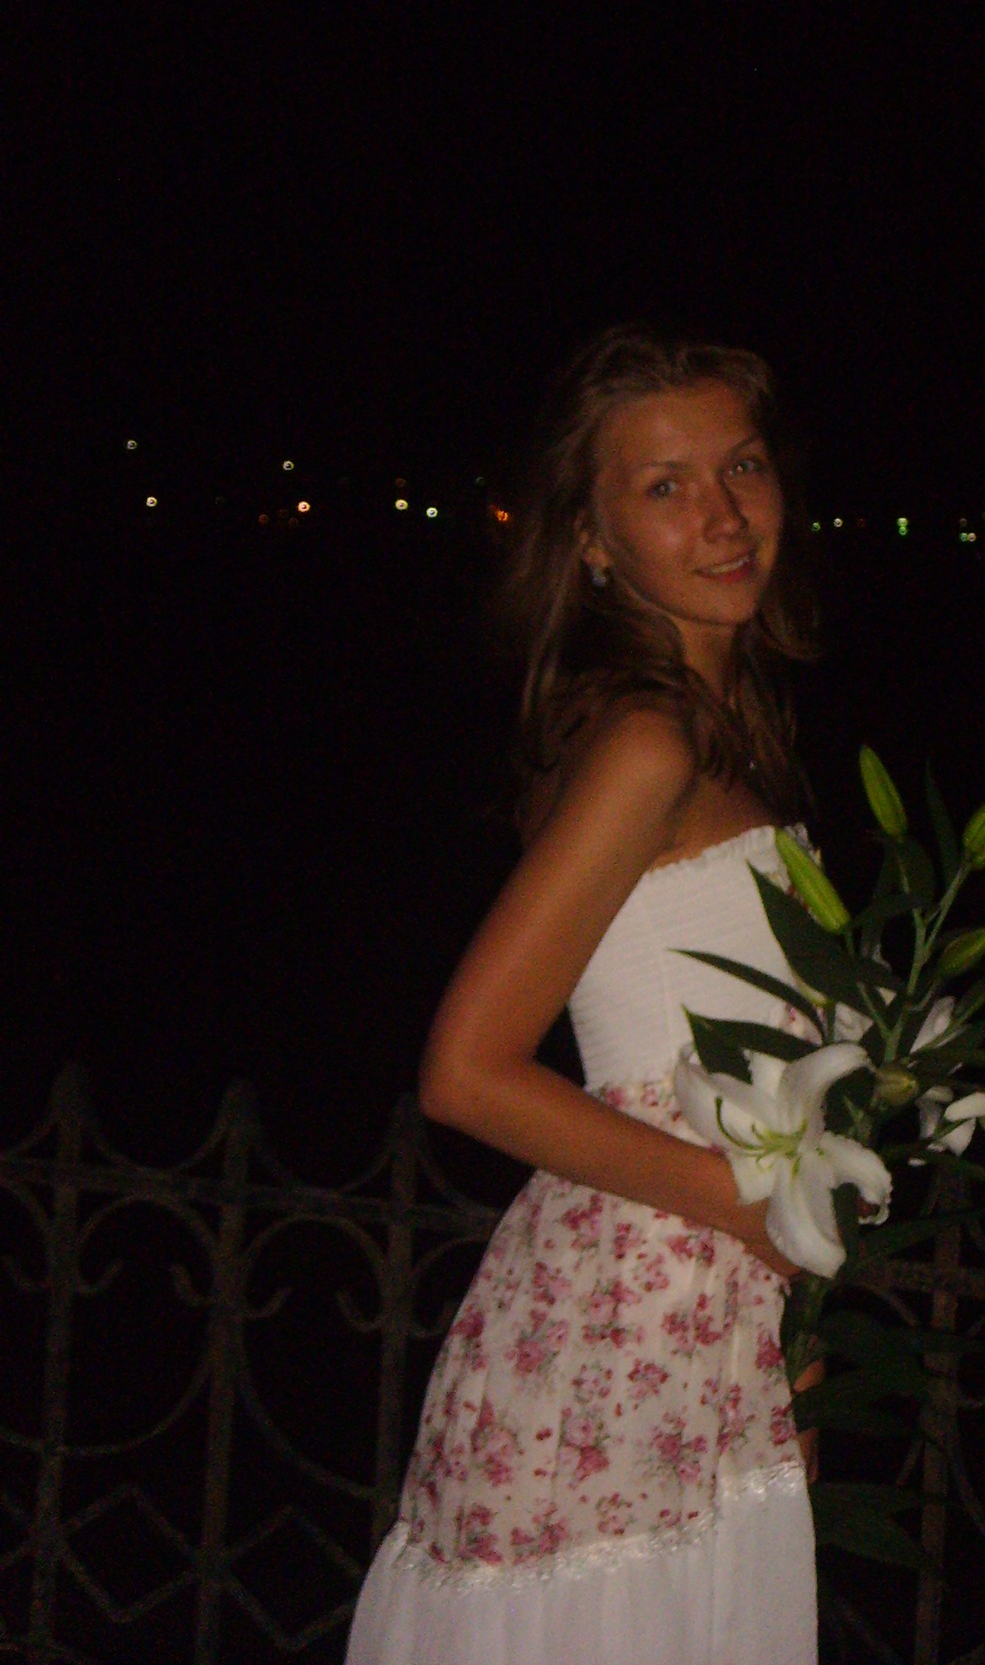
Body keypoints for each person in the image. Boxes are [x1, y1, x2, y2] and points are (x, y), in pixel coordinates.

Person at [346, 324, 823, 1665]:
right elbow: (467, 1070)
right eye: (665, 486)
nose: (724, 515)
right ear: (592, 541)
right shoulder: (647, 742)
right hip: (623, 1326)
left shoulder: (719, 729)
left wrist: (793, 1314)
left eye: (742, 466)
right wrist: (752, 1209)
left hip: (706, 1329)